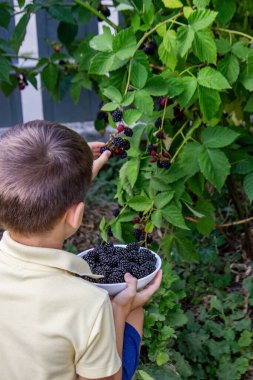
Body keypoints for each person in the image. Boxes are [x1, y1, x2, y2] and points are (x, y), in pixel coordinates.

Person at [0, 120, 162, 380]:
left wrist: (71, 172)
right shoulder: (89, 304)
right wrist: (119, 310)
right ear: (76, 216)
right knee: (135, 312)